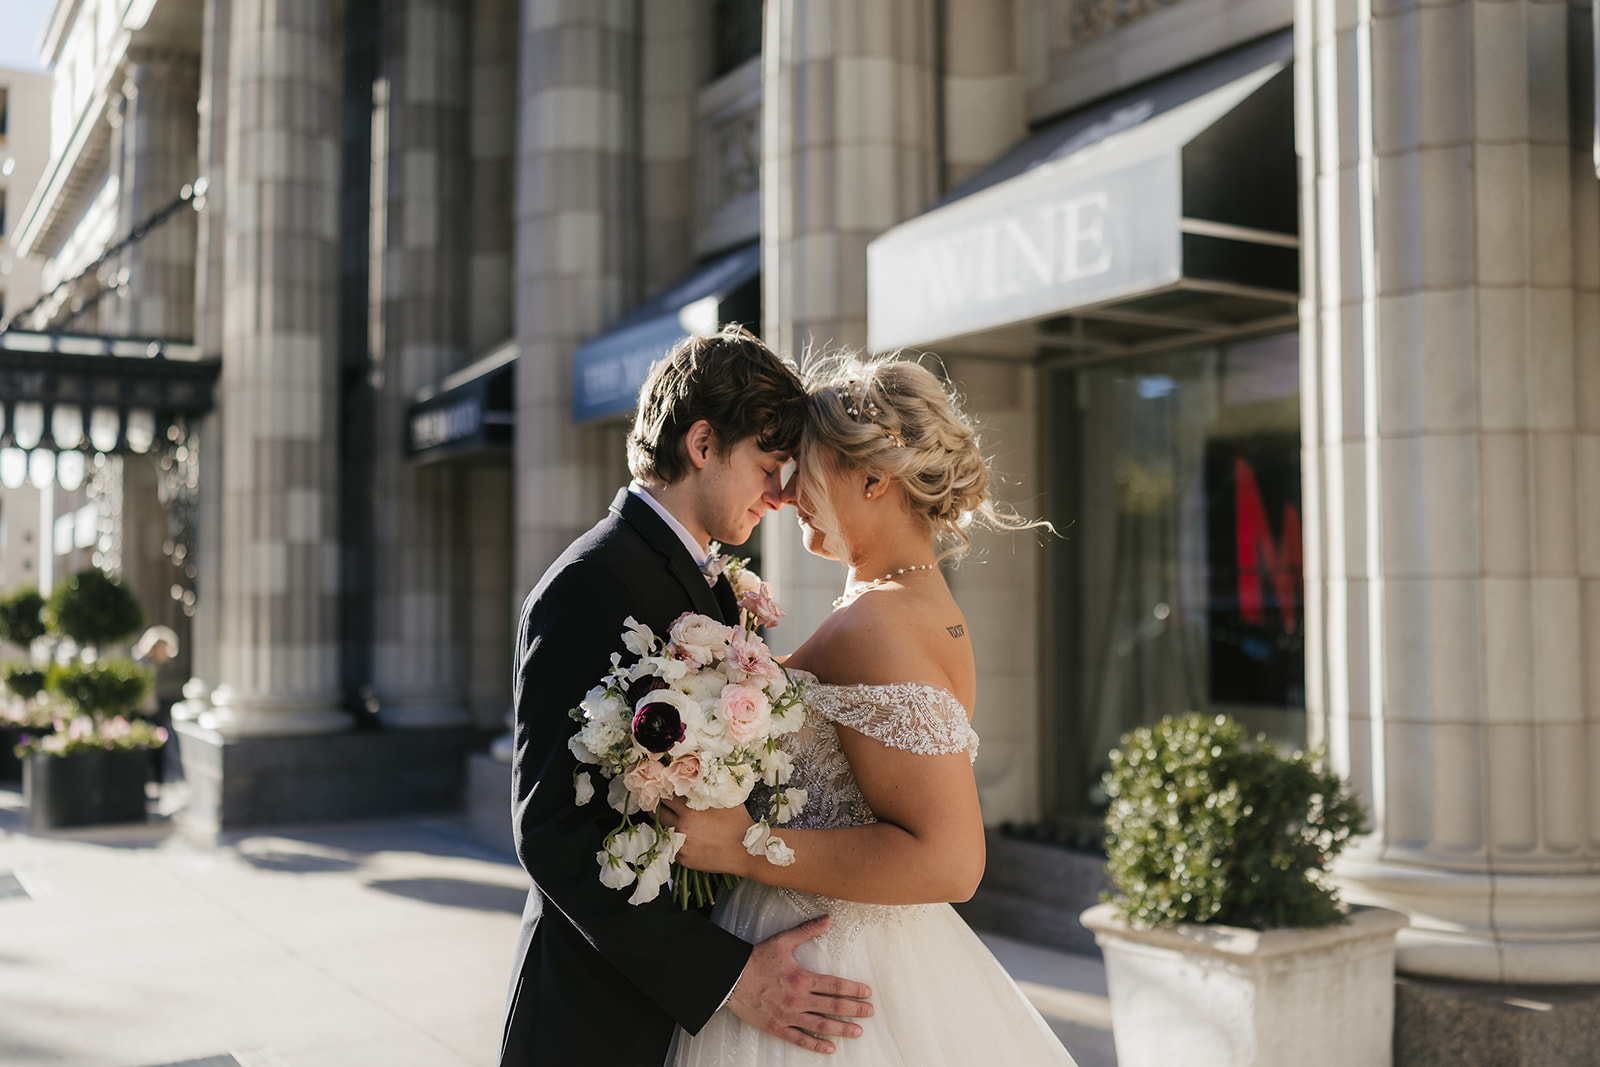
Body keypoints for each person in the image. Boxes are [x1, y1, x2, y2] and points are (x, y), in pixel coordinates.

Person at [662, 355, 1076, 1065]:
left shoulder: (878, 623)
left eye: (805, 469)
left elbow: (951, 860)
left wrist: (737, 846)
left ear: (873, 480)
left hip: (826, 969)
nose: (787, 495)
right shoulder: (924, 606)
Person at [499, 326, 875, 1066]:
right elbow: (549, 831)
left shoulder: (706, 579)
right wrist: (729, 976)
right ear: (703, 444)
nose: (778, 493)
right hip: (597, 1018)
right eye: (768, 465)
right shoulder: (589, 583)